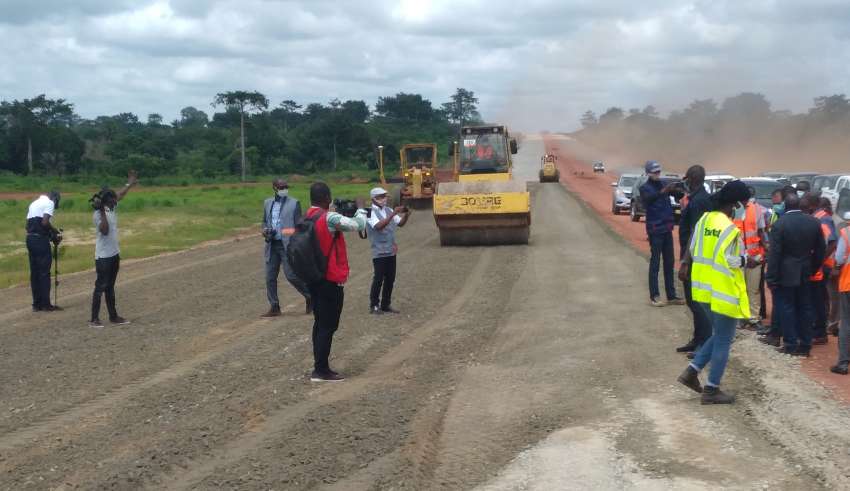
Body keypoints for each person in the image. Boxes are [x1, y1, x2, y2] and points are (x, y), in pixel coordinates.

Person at [677, 180, 753, 404]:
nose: (744, 208)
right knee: (723, 339)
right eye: (744, 203)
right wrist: (749, 260)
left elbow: (692, 248)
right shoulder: (730, 229)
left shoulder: (704, 220)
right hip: (722, 290)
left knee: (718, 335)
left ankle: (691, 372)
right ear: (736, 203)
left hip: (702, 289)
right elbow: (731, 261)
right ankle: (711, 390)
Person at [304, 182, 367, 382]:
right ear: (326, 198)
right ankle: (321, 370)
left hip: (313, 277)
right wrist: (361, 209)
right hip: (330, 279)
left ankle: (319, 364)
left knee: (319, 323)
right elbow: (359, 225)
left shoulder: (307, 216)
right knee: (328, 326)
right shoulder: (329, 218)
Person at [764, 193, 825, 356]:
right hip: (806, 271)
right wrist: (812, 268)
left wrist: (771, 277)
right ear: (799, 206)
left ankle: (790, 344)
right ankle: (805, 345)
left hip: (785, 273)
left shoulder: (780, 224)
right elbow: (821, 250)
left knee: (787, 308)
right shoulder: (814, 222)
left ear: (785, 206)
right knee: (805, 308)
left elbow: (775, 254)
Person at [89, 171, 137, 328]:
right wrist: (102, 211)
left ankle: (113, 316)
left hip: (114, 254)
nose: (115, 202)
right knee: (100, 287)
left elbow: (119, 195)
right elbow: (104, 230)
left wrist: (129, 183)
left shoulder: (111, 207)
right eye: (112, 201)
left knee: (110, 287)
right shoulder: (98, 214)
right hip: (103, 257)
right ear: (106, 202)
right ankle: (94, 319)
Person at [262, 178, 311, 317]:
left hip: (287, 246)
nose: (284, 189)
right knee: (269, 277)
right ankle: (274, 306)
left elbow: (298, 226)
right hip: (272, 245)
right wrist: (265, 230)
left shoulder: (294, 203)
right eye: (281, 187)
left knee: (291, 276)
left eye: (285, 187)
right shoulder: (267, 203)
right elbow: (264, 221)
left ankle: (310, 296)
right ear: (274, 188)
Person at [676, 165, 712, 354]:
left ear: (692, 179)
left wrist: (685, 261)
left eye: (687, 179)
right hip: (693, 256)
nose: (685, 182)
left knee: (697, 302)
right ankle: (697, 339)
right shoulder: (697, 198)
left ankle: (703, 344)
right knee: (692, 301)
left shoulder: (699, 201)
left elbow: (695, 234)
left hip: (695, 258)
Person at [639, 160, 684, 307]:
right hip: (655, 229)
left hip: (667, 228)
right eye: (654, 172)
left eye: (658, 171)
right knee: (655, 262)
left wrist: (677, 188)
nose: (657, 174)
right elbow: (649, 199)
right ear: (648, 173)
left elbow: (678, 194)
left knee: (669, 262)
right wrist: (662, 192)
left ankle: (671, 296)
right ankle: (655, 296)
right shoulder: (645, 188)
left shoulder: (663, 184)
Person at [367, 187, 409, 315]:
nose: (383, 199)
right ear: (373, 199)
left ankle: (386, 304)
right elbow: (378, 226)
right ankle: (374, 305)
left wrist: (407, 214)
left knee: (390, 278)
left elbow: (400, 223)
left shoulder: (388, 210)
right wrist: (393, 214)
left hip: (390, 250)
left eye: (384, 196)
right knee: (378, 279)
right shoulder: (369, 212)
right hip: (379, 251)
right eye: (380, 196)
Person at [732, 187, 768, 330]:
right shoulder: (732, 210)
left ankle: (753, 319)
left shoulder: (756, 209)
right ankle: (740, 317)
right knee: (739, 289)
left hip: (755, 257)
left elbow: (761, 232)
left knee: (753, 290)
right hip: (737, 259)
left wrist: (764, 252)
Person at [807, 194, 837, 344]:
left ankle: (819, 332)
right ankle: (819, 329)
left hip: (822, 265)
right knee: (819, 298)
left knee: (817, 299)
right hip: (821, 264)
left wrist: (819, 261)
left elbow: (831, 243)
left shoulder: (822, 219)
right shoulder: (818, 218)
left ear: (811, 205)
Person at [26, 190, 63, 312]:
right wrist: (55, 232)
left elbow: (31, 225)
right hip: (40, 241)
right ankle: (46, 305)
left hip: (30, 239)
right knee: (44, 272)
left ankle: (36, 305)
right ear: (55, 198)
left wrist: (50, 234)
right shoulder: (50, 203)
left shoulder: (34, 203)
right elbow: (45, 222)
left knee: (35, 273)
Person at [830, 213, 850, 374]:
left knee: (846, 322)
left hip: (848, 283)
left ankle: (843, 363)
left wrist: (836, 267)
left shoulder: (846, 233)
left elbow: (839, 258)